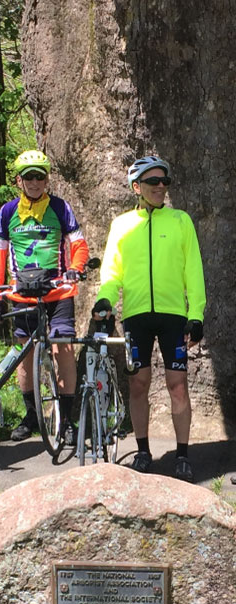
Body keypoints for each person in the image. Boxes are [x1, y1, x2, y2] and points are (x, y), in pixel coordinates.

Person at [94, 156, 205, 482]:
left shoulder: (181, 221)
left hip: (173, 315)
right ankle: (143, 451)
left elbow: (194, 272)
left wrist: (196, 313)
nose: (160, 187)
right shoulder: (121, 225)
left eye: (164, 182)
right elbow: (112, 273)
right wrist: (105, 299)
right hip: (137, 316)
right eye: (153, 182)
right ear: (136, 187)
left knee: (177, 386)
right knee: (138, 384)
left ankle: (182, 455)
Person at [0, 149, 89, 445]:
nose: (34, 182)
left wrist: (76, 268)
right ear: (19, 180)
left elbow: (79, 245)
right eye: (29, 177)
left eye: (40, 176)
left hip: (58, 292)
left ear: (47, 179)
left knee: (63, 352)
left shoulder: (60, 207)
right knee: (24, 358)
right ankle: (31, 416)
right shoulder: (7, 212)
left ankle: (67, 420)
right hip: (22, 296)